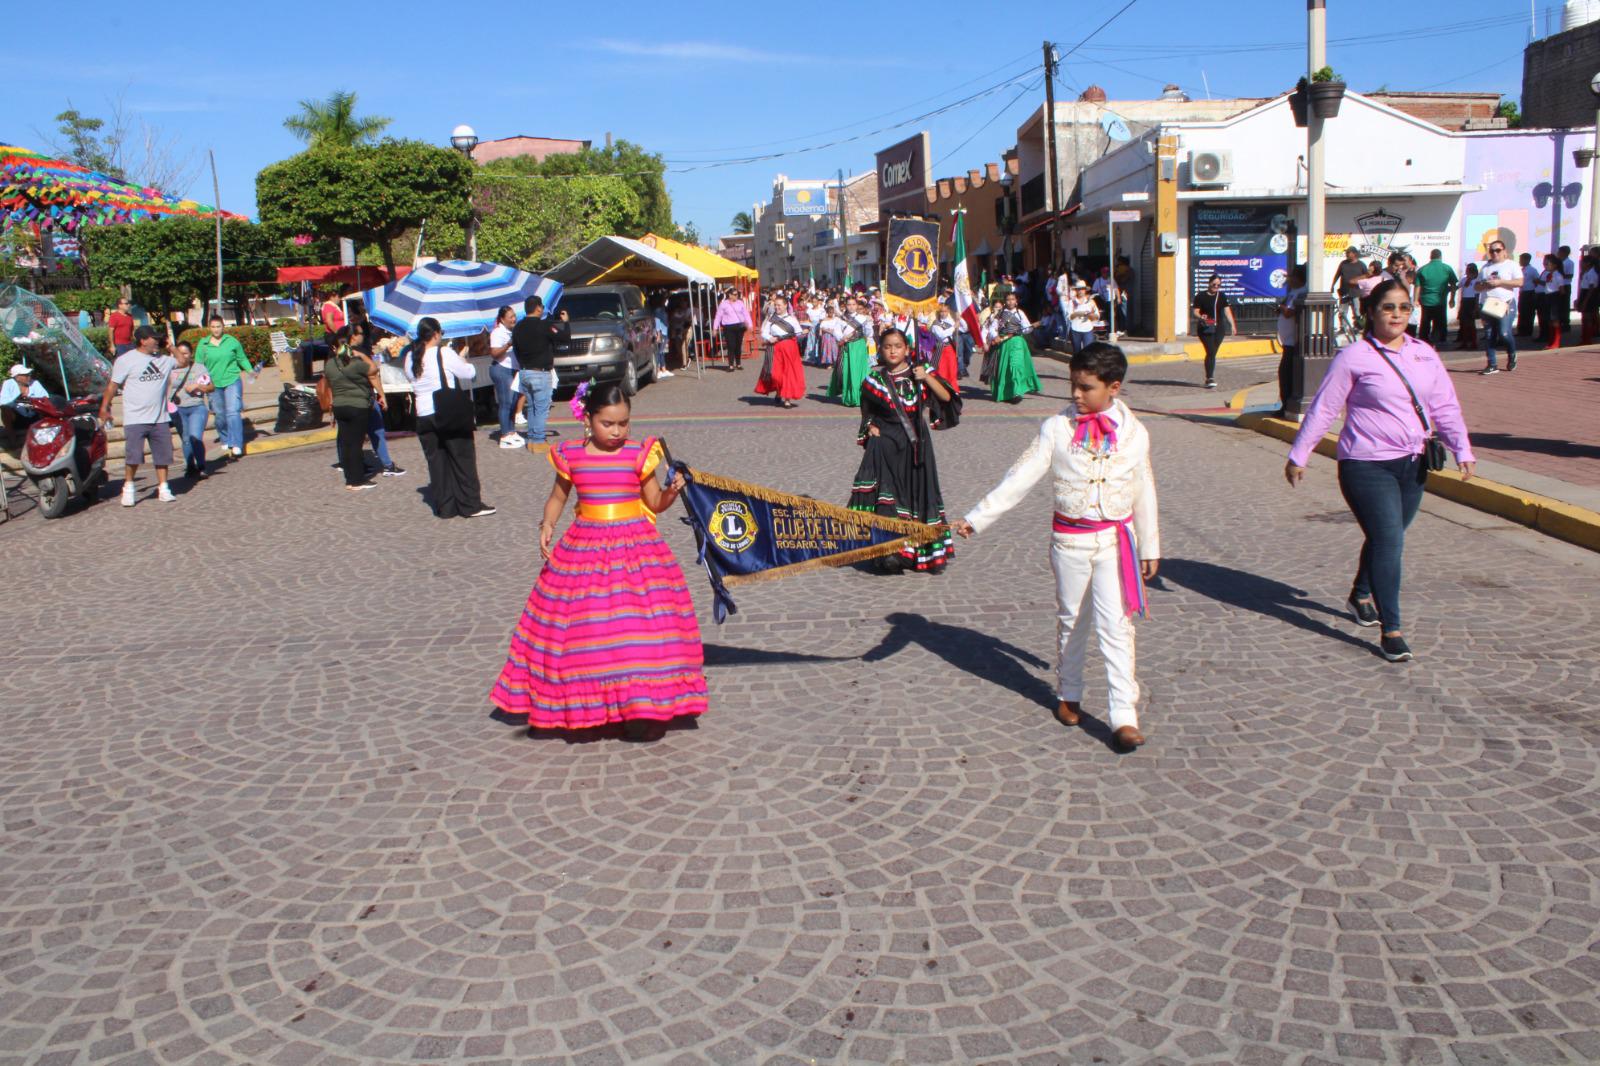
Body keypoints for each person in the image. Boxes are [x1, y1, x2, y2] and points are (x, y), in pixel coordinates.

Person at [954, 341, 1160, 751]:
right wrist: (976, 519)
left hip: (1115, 541)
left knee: (1117, 627)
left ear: (1113, 387)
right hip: (1070, 542)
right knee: (1072, 619)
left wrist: (1149, 545)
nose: (1076, 395)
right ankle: (1069, 691)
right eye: (1073, 386)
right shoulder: (1056, 429)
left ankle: (1124, 715)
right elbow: (1019, 477)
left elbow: (1144, 488)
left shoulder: (1135, 433)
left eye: (1086, 388)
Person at [489, 382, 707, 737]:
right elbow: (558, 497)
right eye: (609, 423)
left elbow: (653, 503)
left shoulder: (638, 454)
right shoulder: (571, 455)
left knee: (638, 628)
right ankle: (594, 703)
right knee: (587, 629)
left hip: (637, 549)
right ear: (588, 419)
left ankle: (642, 707)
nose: (618, 431)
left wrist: (671, 491)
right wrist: (547, 523)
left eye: (624, 423)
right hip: (584, 548)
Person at [1285, 278, 1475, 663]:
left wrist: (1461, 448)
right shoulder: (1353, 357)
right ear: (1371, 312)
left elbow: (1445, 406)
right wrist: (1300, 453)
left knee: (1387, 536)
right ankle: (1393, 629)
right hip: (1365, 464)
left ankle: (1360, 592)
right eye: (1389, 307)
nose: (1397, 315)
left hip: (1414, 463)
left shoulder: (1424, 354)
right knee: (1390, 540)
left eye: (1404, 308)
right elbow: (1324, 408)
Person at [848, 328, 955, 574]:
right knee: (887, 497)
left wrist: (926, 378)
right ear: (881, 350)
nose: (893, 350)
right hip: (885, 444)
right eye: (887, 346)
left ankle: (918, 551)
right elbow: (866, 412)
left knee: (916, 493)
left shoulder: (921, 373)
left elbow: (946, 398)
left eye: (898, 346)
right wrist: (870, 427)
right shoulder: (873, 380)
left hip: (916, 443)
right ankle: (890, 551)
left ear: (907, 349)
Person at [406, 319, 494, 519]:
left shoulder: (410, 357)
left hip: (423, 414)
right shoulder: (443, 353)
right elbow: (468, 372)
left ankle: (446, 507)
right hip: (446, 411)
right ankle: (470, 504)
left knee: (436, 462)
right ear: (436, 334)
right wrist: (462, 357)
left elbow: (413, 379)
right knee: (462, 458)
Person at [100, 326, 177, 506]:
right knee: (133, 456)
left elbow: (182, 362)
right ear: (143, 341)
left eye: (158, 338)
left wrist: (171, 347)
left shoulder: (164, 360)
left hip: (160, 417)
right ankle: (128, 488)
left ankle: (164, 487)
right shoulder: (125, 360)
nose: (157, 341)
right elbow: (113, 386)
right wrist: (105, 407)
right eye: (153, 338)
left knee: (162, 456)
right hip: (135, 417)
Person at [322, 327, 385, 492]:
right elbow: (373, 370)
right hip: (358, 406)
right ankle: (357, 480)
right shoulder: (356, 364)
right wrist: (363, 355)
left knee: (346, 444)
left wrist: (330, 404)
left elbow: (329, 384)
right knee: (356, 445)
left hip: (339, 406)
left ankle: (349, 478)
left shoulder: (329, 365)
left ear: (335, 348)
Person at [512, 295, 570, 453]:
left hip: (524, 371)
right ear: (538, 308)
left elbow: (515, 350)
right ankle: (538, 440)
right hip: (540, 372)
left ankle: (531, 438)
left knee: (531, 407)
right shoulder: (544, 325)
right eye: (542, 307)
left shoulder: (517, 327)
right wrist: (566, 322)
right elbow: (565, 338)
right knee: (542, 408)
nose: (543, 309)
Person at [194, 315, 253, 459]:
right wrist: (199, 384)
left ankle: (236, 443)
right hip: (213, 384)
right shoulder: (203, 344)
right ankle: (225, 438)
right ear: (209, 328)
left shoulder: (232, 342)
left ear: (223, 327)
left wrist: (250, 371)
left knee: (233, 411)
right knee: (220, 414)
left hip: (232, 379)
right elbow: (198, 366)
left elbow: (241, 358)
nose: (216, 330)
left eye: (218, 326)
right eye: (213, 327)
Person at [983, 291, 1042, 404]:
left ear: (1016, 301)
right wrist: (995, 336)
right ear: (1005, 301)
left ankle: (1016, 392)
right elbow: (992, 328)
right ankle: (1006, 393)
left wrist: (1031, 327)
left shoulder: (1020, 313)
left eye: (1013, 299)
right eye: (1008, 299)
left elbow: (1025, 329)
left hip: (1017, 342)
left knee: (1016, 366)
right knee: (1004, 369)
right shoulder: (1000, 314)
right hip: (1004, 344)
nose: (1010, 302)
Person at [167, 341, 213, 480]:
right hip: (178, 409)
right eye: (179, 353)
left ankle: (201, 466)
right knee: (186, 439)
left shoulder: (198, 368)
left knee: (195, 437)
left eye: (185, 353)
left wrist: (198, 386)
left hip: (196, 407)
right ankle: (190, 466)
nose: (183, 356)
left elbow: (211, 387)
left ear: (191, 354)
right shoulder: (170, 368)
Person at [1476, 239, 1519, 374]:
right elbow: (1476, 286)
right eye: (1492, 251)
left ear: (1504, 252)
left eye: (1498, 250)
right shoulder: (1485, 267)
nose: (1494, 253)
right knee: (1489, 335)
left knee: (1504, 333)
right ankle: (1492, 364)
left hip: (1505, 303)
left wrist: (1500, 282)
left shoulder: (1511, 265)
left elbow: (1520, 282)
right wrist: (1485, 285)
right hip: (1488, 304)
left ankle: (1512, 355)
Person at [756, 295, 806, 409]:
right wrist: (769, 338)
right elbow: (764, 332)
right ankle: (779, 391)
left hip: (789, 349)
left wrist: (804, 332)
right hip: (775, 349)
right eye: (776, 305)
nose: (777, 307)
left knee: (788, 373)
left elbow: (798, 333)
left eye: (779, 305)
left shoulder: (792, 319)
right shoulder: (771, 319)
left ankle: (787, 399)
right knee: (776, 374)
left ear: (785, 305)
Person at [485, 306, 524, 449]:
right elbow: (494, 353)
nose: (514, 319)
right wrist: (508, 344)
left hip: (513, 369)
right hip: (502, 369)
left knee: (513, 402)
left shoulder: (511, 331)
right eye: (510, 317)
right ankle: (504, 435)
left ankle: (511, 431)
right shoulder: (497, 333)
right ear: (502, 319)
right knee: (506, 402)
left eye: (514, 316)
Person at [826, 296, 873, 407]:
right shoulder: (841, 319)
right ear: (845, 306)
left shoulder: (862, 318)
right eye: (849, 304)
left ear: (857, 306)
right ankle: (849, 397)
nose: (851, 307)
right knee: (848, 371)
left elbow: (868, 332)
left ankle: (861, 397)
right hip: (847, 347)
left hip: (859, 346)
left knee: (859, 372)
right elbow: (836, 332)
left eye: (853, 304)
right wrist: (843, 338)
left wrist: (868, 330)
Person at [1191, 275, 1235, 389]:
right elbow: (1195, 311)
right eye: (1214, 284)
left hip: (1219, 328)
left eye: (1218, 285)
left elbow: (1227, 311)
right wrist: (1201, 317)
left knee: (1212, 353)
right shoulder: (1200, 296)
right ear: (1209, 283)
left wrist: (1232, 325)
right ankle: (1210, 378)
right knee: (1210, 351)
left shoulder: (1222, 296)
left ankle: (1209, 377)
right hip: (1205, 327)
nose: (1216, 287)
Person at [1275, 265, 1307, 416]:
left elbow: (1291, 313)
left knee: (1287, 374)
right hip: (1287, 341)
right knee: (1284, 374)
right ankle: (1284, 404)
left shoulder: (1302, 293)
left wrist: (1281, 308)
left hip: (1293, 341)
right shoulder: (1293, 292)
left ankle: (1287, 404)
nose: (1289, 281)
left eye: (1292, 278)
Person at [1413, 249, 1457, 348]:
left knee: (1425, 321)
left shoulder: (1423, 269)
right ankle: (1439, 341)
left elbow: (1417, 286)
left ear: (1430, 256)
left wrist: (1415, 299)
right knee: (1440, 322)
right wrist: (1452, 299)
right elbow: (1454, 284)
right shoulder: (1447, 268)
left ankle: (1424, 340)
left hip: (1426, 300)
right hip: (1440, 300)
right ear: (1440, 257)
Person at [1, 364, 48, 436]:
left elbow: (45, 398)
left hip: (35, 413)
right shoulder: (8, 384)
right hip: (17, 416)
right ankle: (11, 437)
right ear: (17, 377)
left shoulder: (35, 383)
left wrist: (25, 402)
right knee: (5, 409)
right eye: (25, 375)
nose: (29, 377)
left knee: (45, 407)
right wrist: (20, 401)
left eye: (29, 374)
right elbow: (3, 402)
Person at [1333, 247, 1366, 336]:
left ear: (1354, 254)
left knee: (1356, 311)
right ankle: (1343, 328)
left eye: (1349, 252)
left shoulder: (1361, 265)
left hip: (1356, 292)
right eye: (1346, 253)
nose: (1347, 254)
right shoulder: (1343, 263)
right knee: (1342, 311)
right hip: (1344, 291)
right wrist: (1332, 285)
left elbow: (1366, 276)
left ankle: (1357, 327)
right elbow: (1337, 274)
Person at [1065, 280, 1101, 356]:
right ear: (1076, 290)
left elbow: (1097, 316)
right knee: (1077, 352)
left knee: (1088, 351)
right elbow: (1069, 317)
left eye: (1082, 289)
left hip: (1087, 329)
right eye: (1079, 289)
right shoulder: (1072, 302)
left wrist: (1090, 315)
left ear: (1085, 290)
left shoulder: (1091, 302)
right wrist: (1078, 313)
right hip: (1075, 329)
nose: (1080, 291)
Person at [1539, 253, 1565, 349]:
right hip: (1548, 296)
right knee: (1549, 320)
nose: (1545, 266)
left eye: (1547, 264)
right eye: (1545, 264)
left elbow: (1562, 290)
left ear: (1554, 265)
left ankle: (1556, 342)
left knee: (1555, 320)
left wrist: (1558, 301)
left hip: (1555, 297)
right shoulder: (1549, 275)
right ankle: (1551, 340)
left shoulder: (1558, 275)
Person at [929, 305, 960, 384]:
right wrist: (953, 327)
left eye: (945, 311)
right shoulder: (936, 323)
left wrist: (959, 319)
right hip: (940, 349)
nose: (943, 313)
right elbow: (941, 335)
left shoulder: (951, 321)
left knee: (952, 370)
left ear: (948, 312)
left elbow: (964, 328)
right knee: (941, 371)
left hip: (950, 348)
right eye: (941, 312)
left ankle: (953, 387)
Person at [1456, 263, 1479, 348]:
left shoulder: (1476, 280)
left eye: (1469, 270)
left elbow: (1477, 294)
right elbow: (1458, 286)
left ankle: (1474, 342)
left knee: (1471, 323)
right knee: (1464, 323)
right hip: (1464, 301)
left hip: (1472, 302)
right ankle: (1464, 342)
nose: (1467, 271)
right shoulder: (1464, 279)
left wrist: (1476, 307)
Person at [1516, 252, 1539, 337]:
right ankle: (1521, 330)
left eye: (1521, 259)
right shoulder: (1522, 269)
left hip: (1529, 292)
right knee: (1522, 311)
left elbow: (1536, 280)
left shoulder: (1532, 270)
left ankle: (1528, 331)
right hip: (1522, 292)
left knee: (1528, 312)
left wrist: (1532, 288)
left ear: (1527, 260)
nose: (1520, 261)